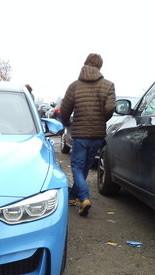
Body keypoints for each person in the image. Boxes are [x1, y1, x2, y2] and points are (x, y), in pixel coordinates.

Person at [60, 53, 116, 216]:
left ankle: (84, 198)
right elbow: (110, 108)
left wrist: (66, 122)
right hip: (97, 134)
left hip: (80, 133)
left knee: (77, 166)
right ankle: (73, 196)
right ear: (100, 67)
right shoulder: (108, 85)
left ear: (85, 64)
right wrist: (103, 118)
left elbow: (65, 109)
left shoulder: (74, 86)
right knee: (84, 167)